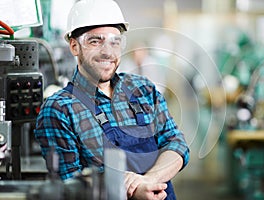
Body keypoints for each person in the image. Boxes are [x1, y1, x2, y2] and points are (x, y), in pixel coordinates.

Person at [34, 0, 190, 199]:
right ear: (74, 46)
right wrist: (128, 192)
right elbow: (69, 188)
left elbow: (175, 143)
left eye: (114, 42)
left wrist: (149, 180)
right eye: (95, 41)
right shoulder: (59, 109)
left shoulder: (142, 89)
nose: (107, 52)